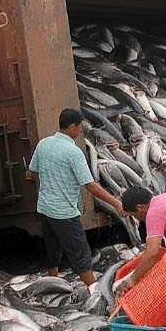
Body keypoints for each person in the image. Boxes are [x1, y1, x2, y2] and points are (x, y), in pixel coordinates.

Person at [27, 108, 122, 286]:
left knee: (53, 249)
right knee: (80, 253)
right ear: (72, 127)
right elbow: (90, 185)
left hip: (45, 209)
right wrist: (116, 203)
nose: (80, 131)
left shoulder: (43, 144)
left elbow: (32, 172)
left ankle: (53, 285)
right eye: (80, 127)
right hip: (65, 213)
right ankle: (94, 291)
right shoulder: (74, 152)